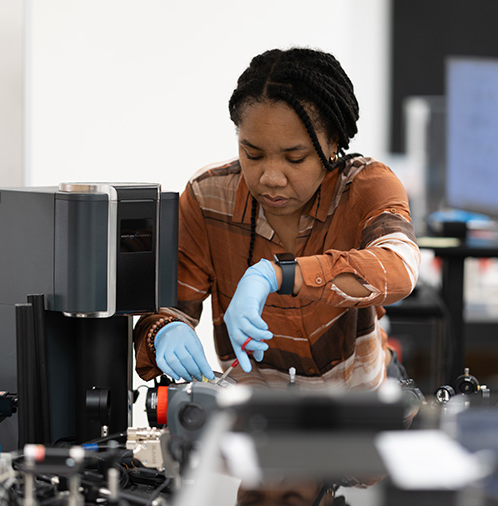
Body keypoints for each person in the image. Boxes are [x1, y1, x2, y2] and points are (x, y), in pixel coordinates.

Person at [133, 47, 420, 394]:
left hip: (364, 404)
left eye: (294, 158)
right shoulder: (208, 198)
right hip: (256, 417)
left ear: (333, 143)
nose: (271, 177)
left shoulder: (365, 187)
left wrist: (274, 274)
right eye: (252, 154)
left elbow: (400, 266)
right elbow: (165, 309)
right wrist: (163, 331)